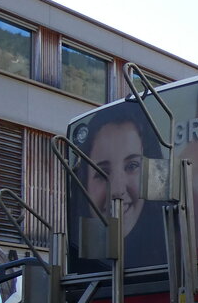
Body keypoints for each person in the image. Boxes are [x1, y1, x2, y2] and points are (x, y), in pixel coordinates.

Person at [70, 103, 166, 269]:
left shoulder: (180, 257)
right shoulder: (78, 274)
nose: (117, 190)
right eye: (102, 172)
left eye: (132, 166)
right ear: (84, 182)